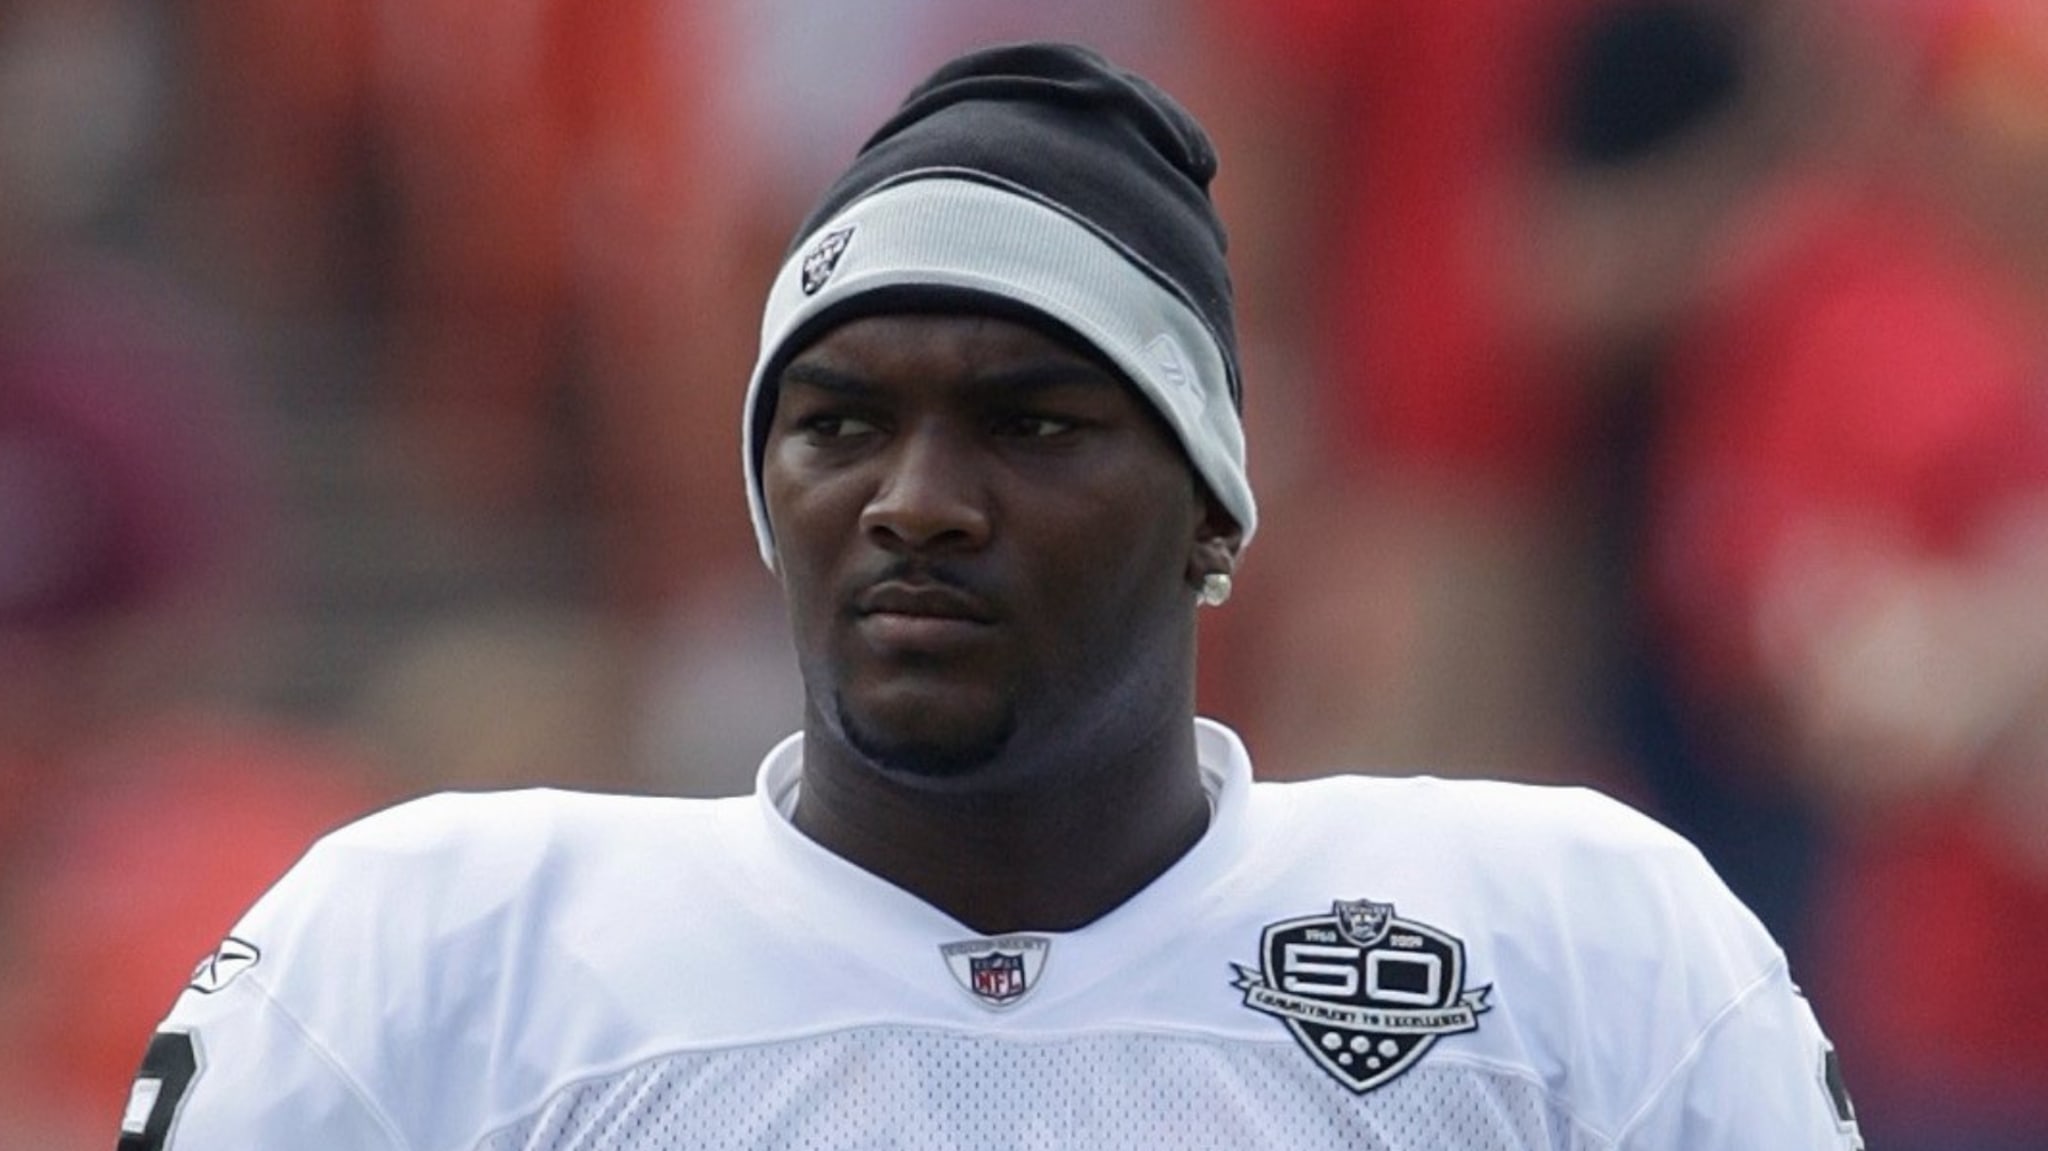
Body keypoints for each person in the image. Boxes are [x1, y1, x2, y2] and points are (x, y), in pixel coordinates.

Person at [119, 42, 1864, 1149]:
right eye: (840, 422)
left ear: (1213, 511)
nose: (920, 503)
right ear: (761, 493)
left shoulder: (1577, 946)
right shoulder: (428, 956)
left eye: (1032, 422)